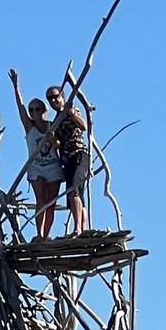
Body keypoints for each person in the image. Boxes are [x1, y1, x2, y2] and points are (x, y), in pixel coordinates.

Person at [8, 69, 63, 238]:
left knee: (51, 203)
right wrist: (16, 86)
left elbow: (60, 145)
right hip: (36, 168)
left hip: (53, 167)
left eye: (37, 109)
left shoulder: (52, 125)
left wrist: (53, 139)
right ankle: (39, 234)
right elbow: (20, 108)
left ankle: (46, 236)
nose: (34, 112)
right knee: (41, 198)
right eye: (32, 110)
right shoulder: (29, 127)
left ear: (44, 110)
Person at [46, 83, 90, 233]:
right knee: (75, 195)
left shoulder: (71, 109)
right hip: (67, 158)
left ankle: (78, 228)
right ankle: (82, 228)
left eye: (55, 97)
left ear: (62, 96)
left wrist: (70, 112)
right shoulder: (56, 120)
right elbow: (58, 144)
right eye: (49, 99)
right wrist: (52, 139)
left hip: (78, 154)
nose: (52, 101)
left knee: (74, 191)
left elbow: (83, 126)